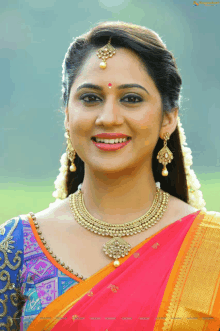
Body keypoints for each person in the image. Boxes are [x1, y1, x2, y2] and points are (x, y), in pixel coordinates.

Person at [0, 21, 219, 331]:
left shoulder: (213, 247)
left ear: (168, 118)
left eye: (131, 99)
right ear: (67, 113)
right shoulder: (16, 247)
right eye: (90, 98)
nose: (108, 118)